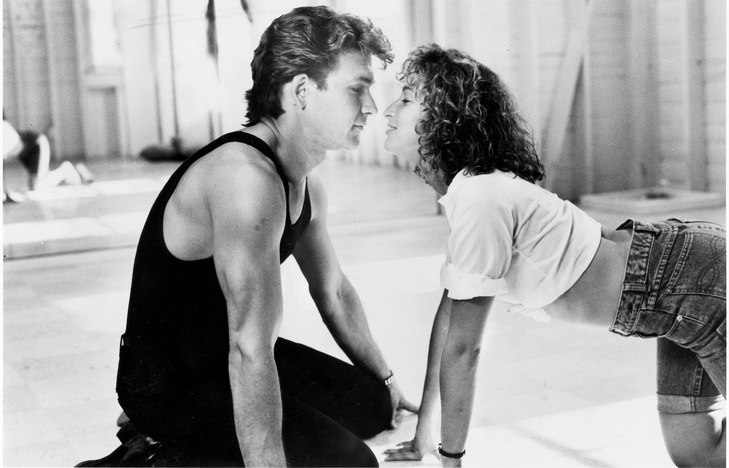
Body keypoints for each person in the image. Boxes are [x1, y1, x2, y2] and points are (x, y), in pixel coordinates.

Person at [77, 7, 416, 467]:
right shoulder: (245, 180)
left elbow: (333, 291)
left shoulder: (304, 181)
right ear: (301, 91)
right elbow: (249, 346)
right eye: (357, 88)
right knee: (353, 464)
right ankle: (151, 449)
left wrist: (388, 380)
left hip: (221, 351)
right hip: (167, 381)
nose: (372, 106)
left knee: (373, 403)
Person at [381, 44, 725, 467]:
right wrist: (424, 435)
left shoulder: (481, 197)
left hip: (695, 278)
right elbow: (449, 323)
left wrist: (451, 458)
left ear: (446, 119)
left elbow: (464, 350)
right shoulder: (470, 192)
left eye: (406, 100)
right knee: (697, 456)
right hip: (675, 300)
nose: (388, 111)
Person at [3, 117, 93, 202]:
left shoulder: (4, 127)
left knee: (38, 186)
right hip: (26, 152)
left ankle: (65, 171)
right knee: (36, 185)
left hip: (36, 145)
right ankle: (75, 171)